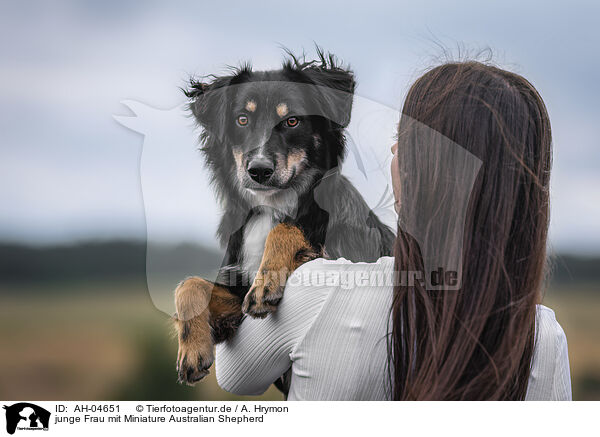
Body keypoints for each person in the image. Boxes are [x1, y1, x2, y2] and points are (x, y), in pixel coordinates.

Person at [215, 61, 572, 400]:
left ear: (426, 167)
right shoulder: (546, 340)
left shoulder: (319, 292)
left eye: (405, 137)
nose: (394, 149)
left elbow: (234, 374)